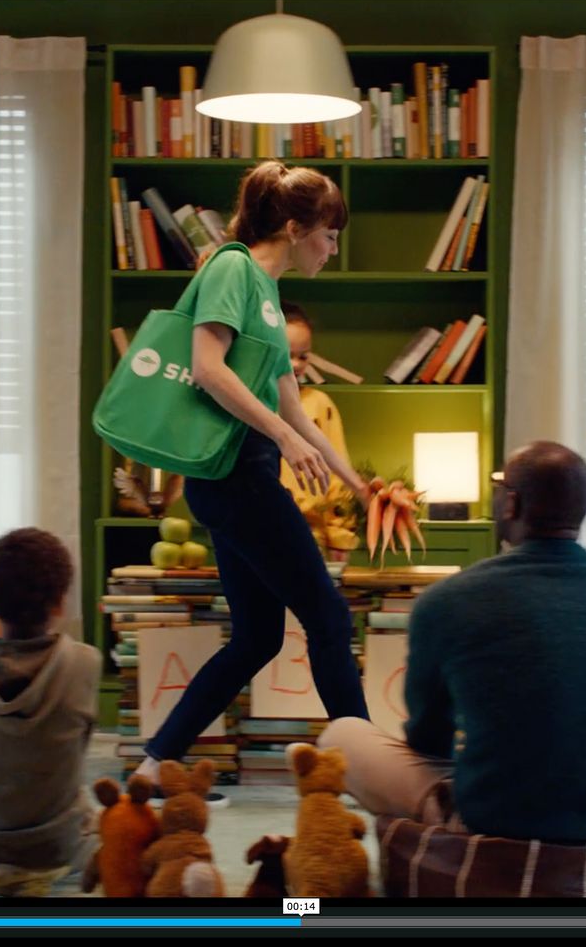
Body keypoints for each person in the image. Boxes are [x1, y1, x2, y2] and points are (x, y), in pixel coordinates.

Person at [134, 160, 373, 799]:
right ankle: (371, 771)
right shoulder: (231, 268)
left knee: (259, 636)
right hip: (234, 475)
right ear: (294, 228)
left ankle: (155, 763)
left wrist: (358, 482)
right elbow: (208, 367)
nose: (332, 249)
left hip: (242, 476)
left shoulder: (266, 294)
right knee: (327, 616)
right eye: (327, 235)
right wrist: (286, 439)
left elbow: (293, 407)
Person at [319, 441, 586, 843]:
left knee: (342, 734)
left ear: (512, 504)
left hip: (498, 819)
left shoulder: (448, 600)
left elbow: (429, 740)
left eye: (500, 485)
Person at [0, 527, 102, 896]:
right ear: (60, 602)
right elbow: (78, 749)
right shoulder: (86, 663)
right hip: (58, 847)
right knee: (119, 817)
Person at [278, 300, 359, 557]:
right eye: (287, 354)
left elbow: (337, 475)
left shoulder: (318, 404)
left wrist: (339, 534)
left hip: (309, 535)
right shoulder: (247, 404)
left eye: (303, 356)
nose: (297, 364)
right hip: (253, 529)